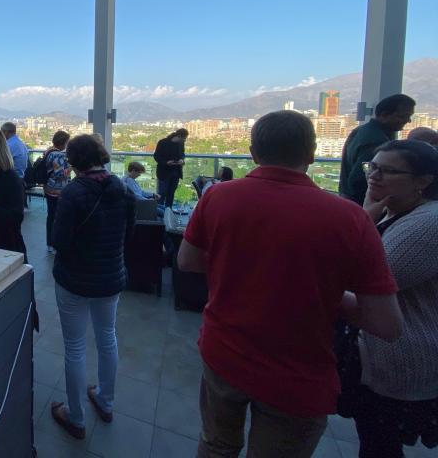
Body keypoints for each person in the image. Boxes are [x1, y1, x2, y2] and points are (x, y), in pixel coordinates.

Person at [177, 110, 403, 457]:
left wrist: (240, 267)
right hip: (298, 374)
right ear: (312, 154)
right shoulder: (350, 218)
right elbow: (385, 323)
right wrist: (324, 290)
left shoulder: (219, 197)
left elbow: (187, 261)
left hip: (224, 352)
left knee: (216, 444)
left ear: (253, 153)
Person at [344, 140, 438, 456]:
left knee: (379, 444)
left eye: (388, 171)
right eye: (373, 167)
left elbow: (363, 278)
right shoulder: (395, 212)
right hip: (385, 354)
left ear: (423, 181)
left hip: (402, 357)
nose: (375, 176)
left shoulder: (426, 224)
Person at [50, 134, 136, 440]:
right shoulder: (122, 189)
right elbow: (129, 232)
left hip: (74, 279)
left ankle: (75, 417)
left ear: (74, 162)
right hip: (111, 277)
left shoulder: (74, 192)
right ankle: (105, 400)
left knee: (75, 348)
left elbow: (58, 241)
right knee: (107, 338)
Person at [339, 93, 415, 205]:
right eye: (402, 116)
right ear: (384, 115)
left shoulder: (361, 130)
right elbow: (359, 180)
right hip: (360, 204)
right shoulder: (376, 141)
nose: (408, 121)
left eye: (409, 116)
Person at [44, 130, 71, 252]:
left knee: (51, 215)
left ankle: (50, 243)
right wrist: (71, 167)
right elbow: (60, 174)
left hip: (49, 188)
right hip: (57, 190)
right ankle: (53, 243)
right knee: (56, 216)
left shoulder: (49, 151)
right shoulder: (59, 155)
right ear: (63, 142)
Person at [153, 128, 188, 207]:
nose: (185, 141)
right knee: (162, 193)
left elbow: (182, 154)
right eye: (184, 138)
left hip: (176, 172)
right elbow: (156, 156)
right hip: (164, 173)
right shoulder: (163, 142)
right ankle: (159, 213)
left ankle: (168, 211)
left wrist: (182, 160)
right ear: (179, 136)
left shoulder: (180, 144)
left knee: (171, 193)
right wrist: (166, 163)